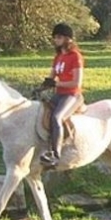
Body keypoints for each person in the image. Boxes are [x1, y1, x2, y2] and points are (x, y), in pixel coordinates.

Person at [40, 23, 84, 167]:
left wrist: (56, 84)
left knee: (57, 117)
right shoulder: (58, 57)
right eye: (55, 37)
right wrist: (43, 86)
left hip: (72, 95)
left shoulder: (75, 57)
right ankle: (44, 148)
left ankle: (56, 155)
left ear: (67, 39)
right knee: (42, 112)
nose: (56, 40)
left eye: (59, 37)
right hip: (59, 94)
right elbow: (52, 78)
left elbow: (76, 83)